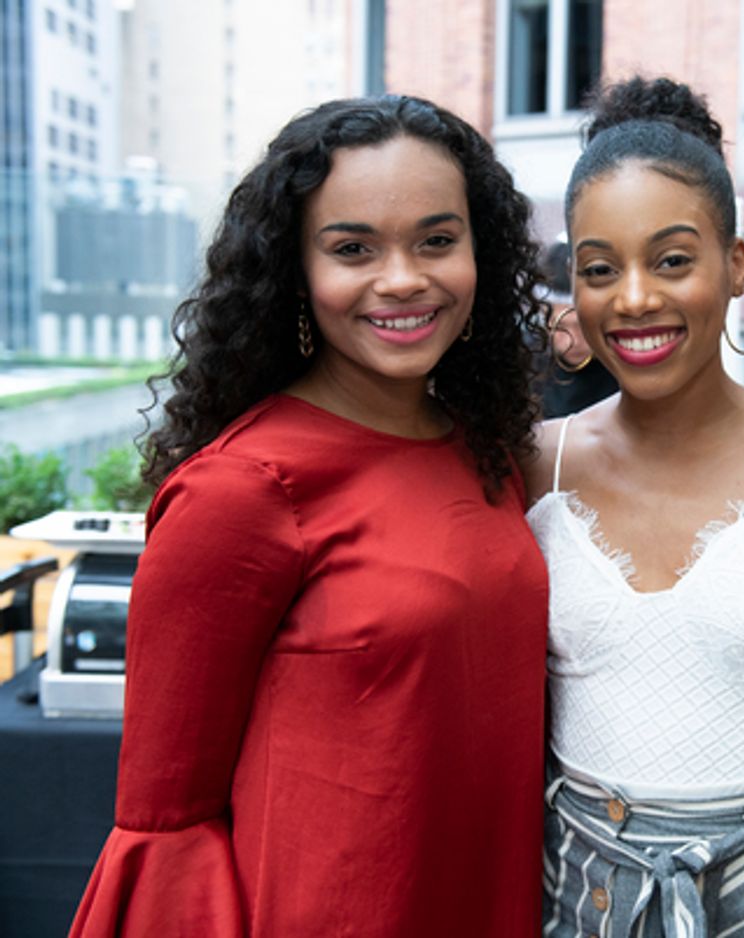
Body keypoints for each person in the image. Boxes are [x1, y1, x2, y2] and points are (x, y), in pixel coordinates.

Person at [69, 96, 550, 937]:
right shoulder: (241, 491)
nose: (403, 279)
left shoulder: (488, 451)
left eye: (438, 240)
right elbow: (165, 824)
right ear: (296, 269)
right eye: (353, 249)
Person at [522, 76, 744, 936]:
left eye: (672, 259)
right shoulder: (532, 461)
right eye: (601, 270)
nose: (635, 298)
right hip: (573, 887)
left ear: (734, 263)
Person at [536, 238, 619, 417]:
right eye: (560, 327)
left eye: (582, 326)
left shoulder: (626, 371)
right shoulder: (522, 368)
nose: (571, 342)